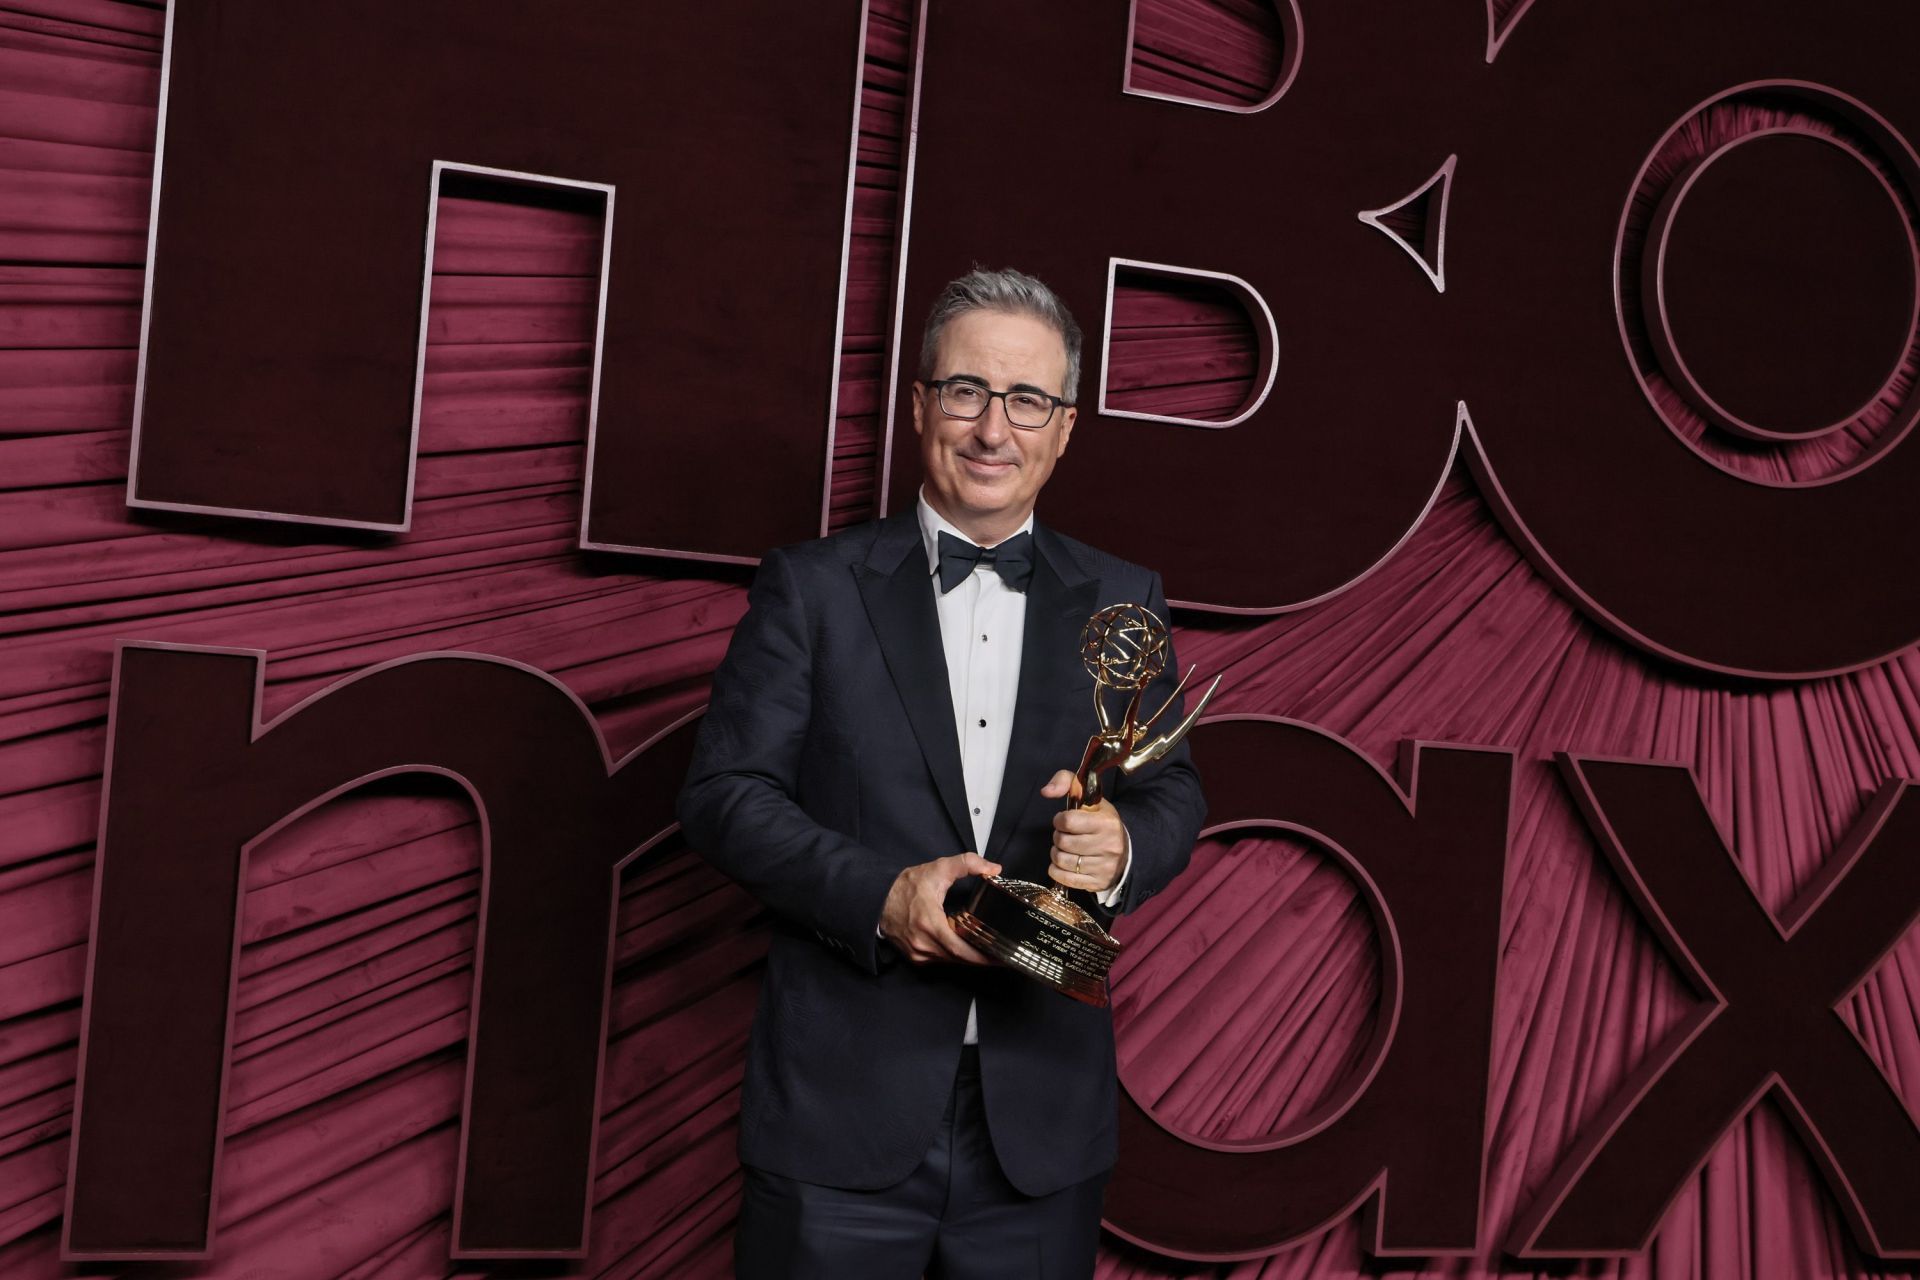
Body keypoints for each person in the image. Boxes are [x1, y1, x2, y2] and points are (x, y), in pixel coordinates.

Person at [678, 267, 1207, 1278]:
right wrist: (885, 897)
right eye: (966, 391)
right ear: (920, 406)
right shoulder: (813, 588)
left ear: (1065, 427)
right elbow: (723, 795)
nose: (992, 429)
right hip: (839, 1116)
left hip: (1040, 1126)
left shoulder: (1124, 597)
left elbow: (1172, 789)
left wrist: (1124, 844)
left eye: (1027, 400)